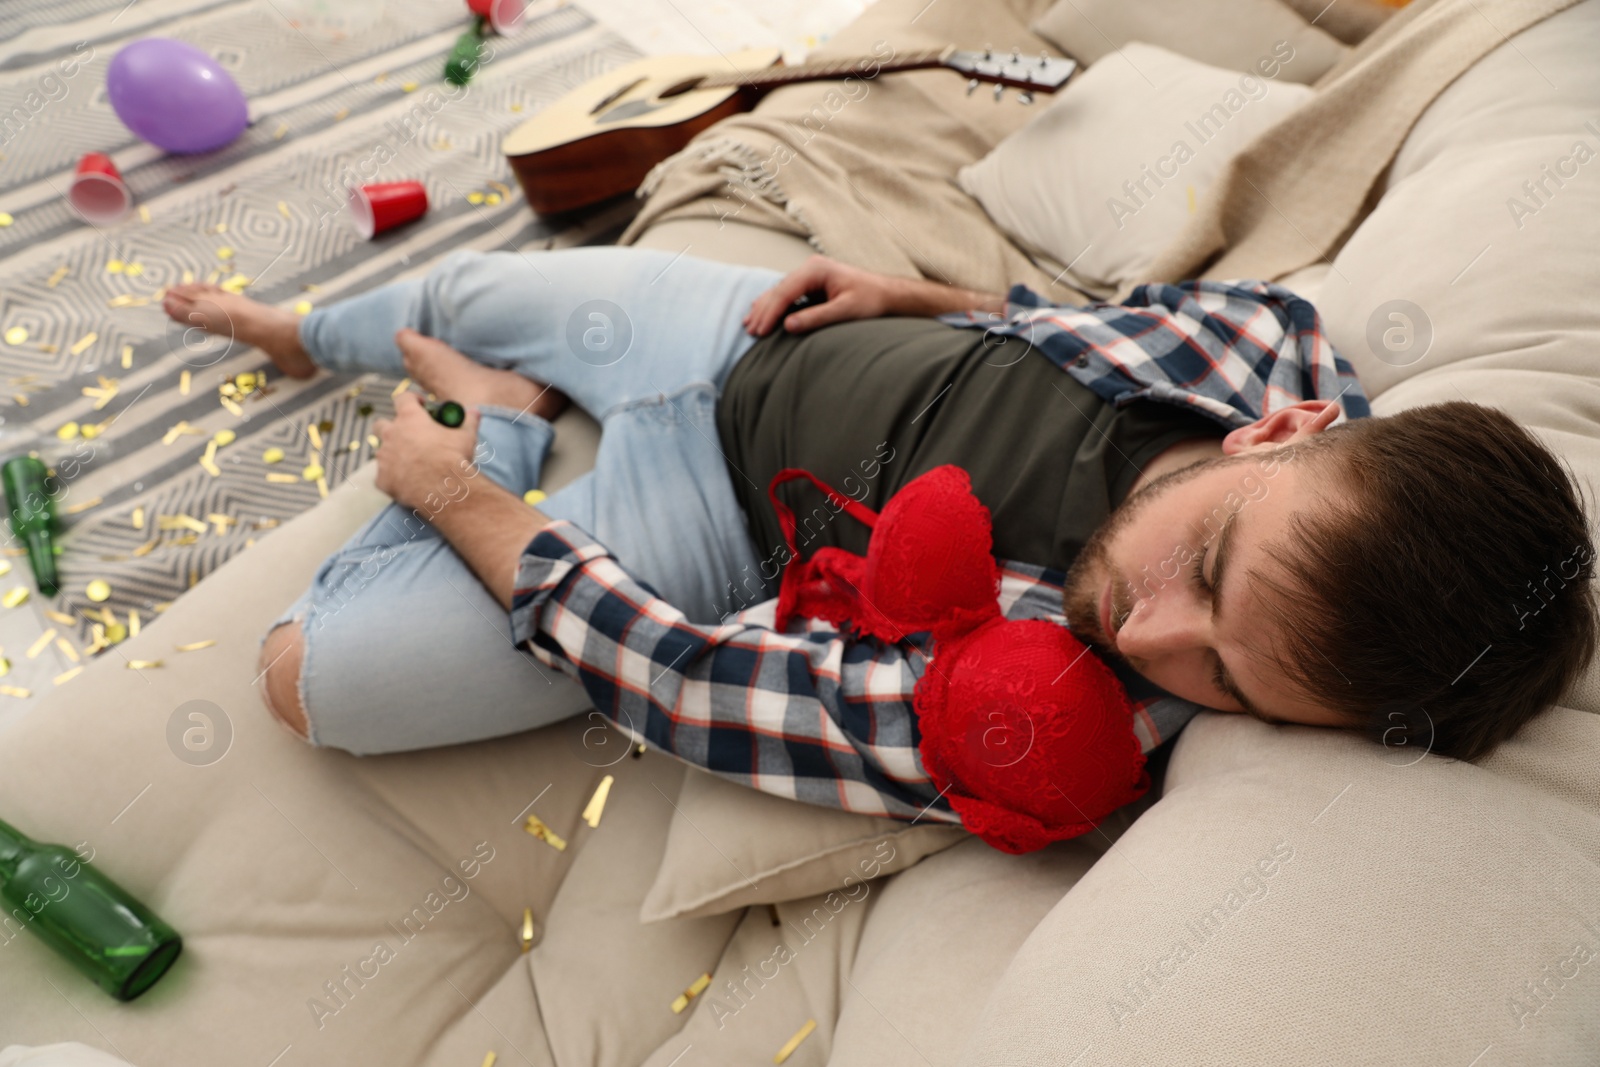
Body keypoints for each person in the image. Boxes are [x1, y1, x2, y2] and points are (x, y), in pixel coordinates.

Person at [161, 247, 1597, 828]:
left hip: (709, 516)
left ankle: (499, 416)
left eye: (1221, 676)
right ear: (1280, 434)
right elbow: (1082, 310)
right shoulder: (1270, 344)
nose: (1148, 634)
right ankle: (304, 333)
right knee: (470, 282)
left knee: (311, 679)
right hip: (741, 323)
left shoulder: (1047, 713)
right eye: (1209, 568)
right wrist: (922, 286)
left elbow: (700, 688)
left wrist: (468, 488)